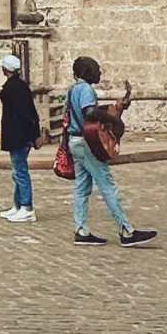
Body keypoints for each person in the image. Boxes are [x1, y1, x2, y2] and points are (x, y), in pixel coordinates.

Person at [66, 56, 156, 247]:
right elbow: (89, 113)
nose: (99, 73)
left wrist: (115, 109)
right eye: (96, 70)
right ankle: (126, 230)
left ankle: (81, 230)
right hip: (87, 143)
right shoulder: (86, 89)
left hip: (75, 140)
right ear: (87, 72)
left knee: (82, 188)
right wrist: (113, 119)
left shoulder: (73, 89)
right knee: (107, 184)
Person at [0, 55, 41, 222]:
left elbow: (27, 113)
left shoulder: (14, 88)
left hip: (19, 135)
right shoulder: (20, 86)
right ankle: (18, 205)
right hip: (20, 134)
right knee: (17, 172)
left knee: (20, 171)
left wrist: (34, 134)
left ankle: (27, 207)